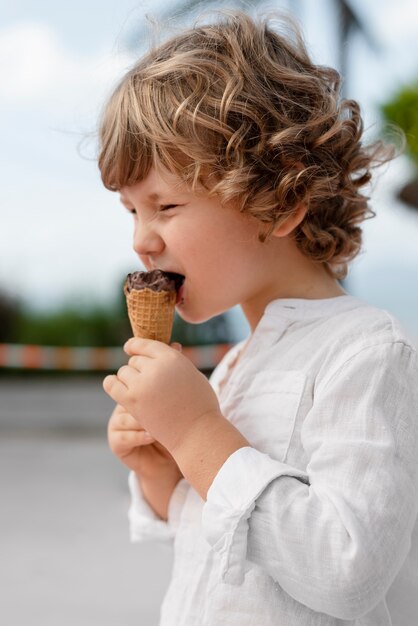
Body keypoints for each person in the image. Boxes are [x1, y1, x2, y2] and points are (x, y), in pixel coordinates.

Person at [99, 11, 418, 626]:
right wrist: (166, 471)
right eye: (131, 211)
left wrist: (197, 434)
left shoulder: (367, 352)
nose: (142, 239)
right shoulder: (239, 363)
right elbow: (218, 547)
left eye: (165, 205)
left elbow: (348, 570)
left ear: (280, 204)